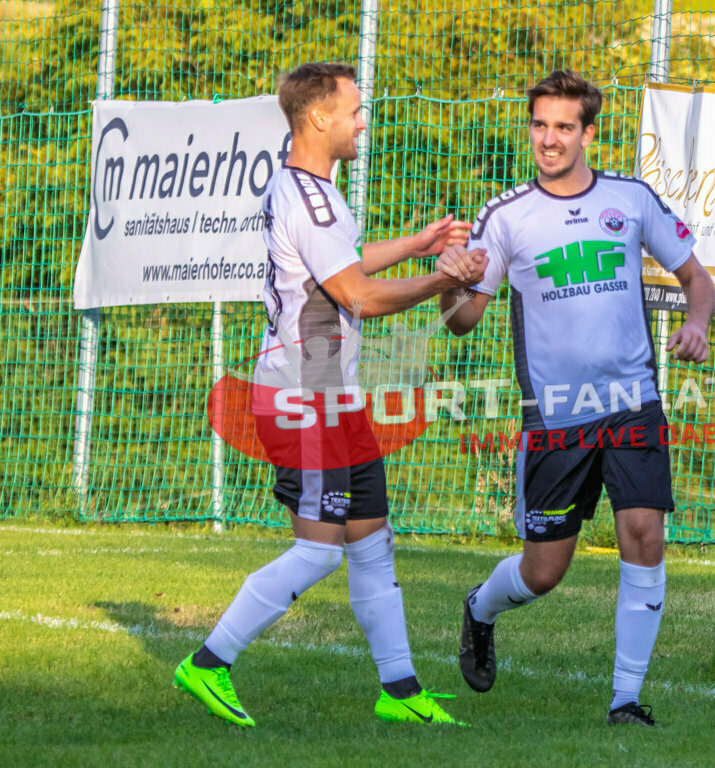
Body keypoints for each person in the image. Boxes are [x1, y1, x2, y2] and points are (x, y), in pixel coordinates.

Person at [173, 61, 486, 728]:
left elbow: (345, 260)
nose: (362, 121)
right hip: (302, 396)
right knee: (318, 549)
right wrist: (440, 279)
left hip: (332, 395)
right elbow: (359, 297)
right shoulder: (310, 197)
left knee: (373, 540)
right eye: (353, 110)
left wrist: (419, 244)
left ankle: (400, 694)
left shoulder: (314, 188)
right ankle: (208, 663)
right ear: (317, 117)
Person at [438, 70, 715, 726]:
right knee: (543, 574)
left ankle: (625, 700)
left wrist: (697, 323)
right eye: (539, 125)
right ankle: (481, 608)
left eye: (564, 127)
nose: (549, 139)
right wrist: (452, 285)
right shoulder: (505, 217)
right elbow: (462, 320)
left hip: (633, 402)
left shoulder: (631, 199)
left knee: (645, 533)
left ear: (588, 133)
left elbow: (696, 278)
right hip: (556, 417)